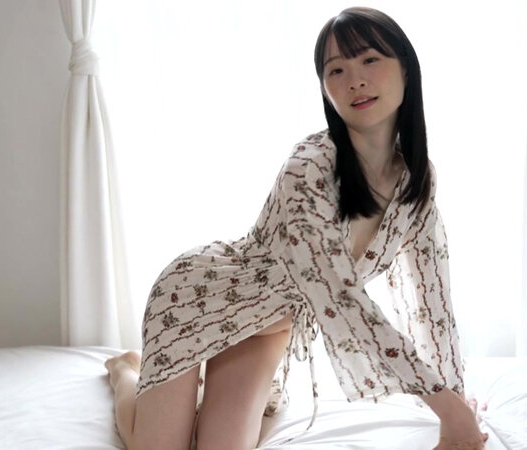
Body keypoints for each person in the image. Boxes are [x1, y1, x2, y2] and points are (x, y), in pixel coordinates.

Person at [105, 6, 489, 450]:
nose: (355, 80)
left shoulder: (416, 179)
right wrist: (447, 408)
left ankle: (194, 389)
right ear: (325, 88)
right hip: (194, 300)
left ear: (405, 68)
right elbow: (342, 301)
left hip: (266, 326)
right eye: (336, 69)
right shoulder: (307, 170)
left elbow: (432, 299)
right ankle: (126, 371)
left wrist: (456, 400)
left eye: (370, 60)